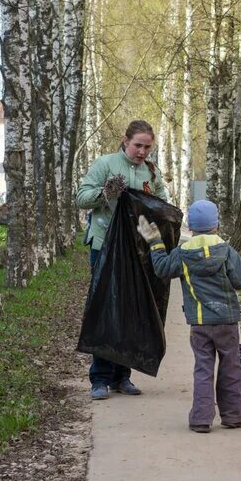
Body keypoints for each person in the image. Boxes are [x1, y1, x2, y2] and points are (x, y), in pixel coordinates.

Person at [136, 200, 241, 433]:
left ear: (191, 227)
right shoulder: (226, 251)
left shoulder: (182, 254)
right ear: (215, 225)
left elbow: (162, 269)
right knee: (232, 367)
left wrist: (155, 242)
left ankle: (200, 419)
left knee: (203, 368)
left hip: (200, 323)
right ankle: (233, 416)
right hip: (227, 322)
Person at [76, 120, 171, 400]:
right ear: (124, 140)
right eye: (137, 145)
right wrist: (104, 194)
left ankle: (122, 376)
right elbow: (82, 198)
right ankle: (100, 378)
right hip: (105, 245)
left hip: (137, 251)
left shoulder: (151, 172)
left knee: (131, 311)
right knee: (106, 309)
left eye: (147, 147)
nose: (142, 151)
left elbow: (164, 205)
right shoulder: (105, 164)